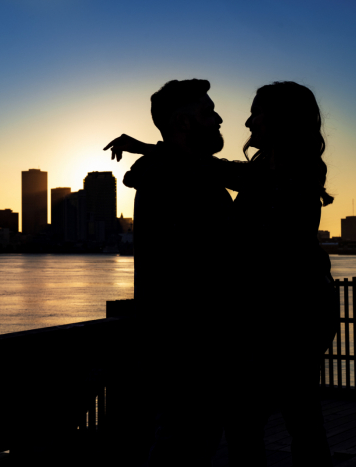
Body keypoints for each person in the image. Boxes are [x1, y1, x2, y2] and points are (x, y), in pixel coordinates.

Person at [105, 81, 340, 466]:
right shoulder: (265, 167)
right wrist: (156, 153)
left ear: (282, 119)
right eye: (207, 113)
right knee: (263, 422)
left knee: (278, 420)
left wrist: (157, 155)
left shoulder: (290, 173)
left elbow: (242, 230)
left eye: (257, 112)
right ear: (183, 123)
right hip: (254, 324)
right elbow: (221, 177)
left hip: (294, 315)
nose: (241, 120)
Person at [104, 79, 235, 466]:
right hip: (189, 346)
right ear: (182, 122)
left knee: (190, 441)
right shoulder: (177, 181)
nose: (219, 119)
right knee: (182, 444)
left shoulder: (180, 173)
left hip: (190, 342)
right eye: (208, 112)